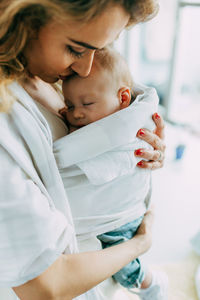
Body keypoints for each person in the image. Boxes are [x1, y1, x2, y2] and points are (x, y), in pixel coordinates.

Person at [0, 1, 166, 300]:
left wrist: (138, 143)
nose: (85, 68)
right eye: (76, 50)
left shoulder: (44, 72)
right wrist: (140, 244)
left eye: (99, 49)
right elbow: (45, 286)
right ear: (23, 19)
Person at [50, 46, 168, 300]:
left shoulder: (125, 122)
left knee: (124, 267)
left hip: (120, 220)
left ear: (124, 98)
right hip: (103, 218)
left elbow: (74, 153)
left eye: (87, 103)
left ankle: (149, 284)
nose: (77, 112)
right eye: (69, 105)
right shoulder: (91, 112)